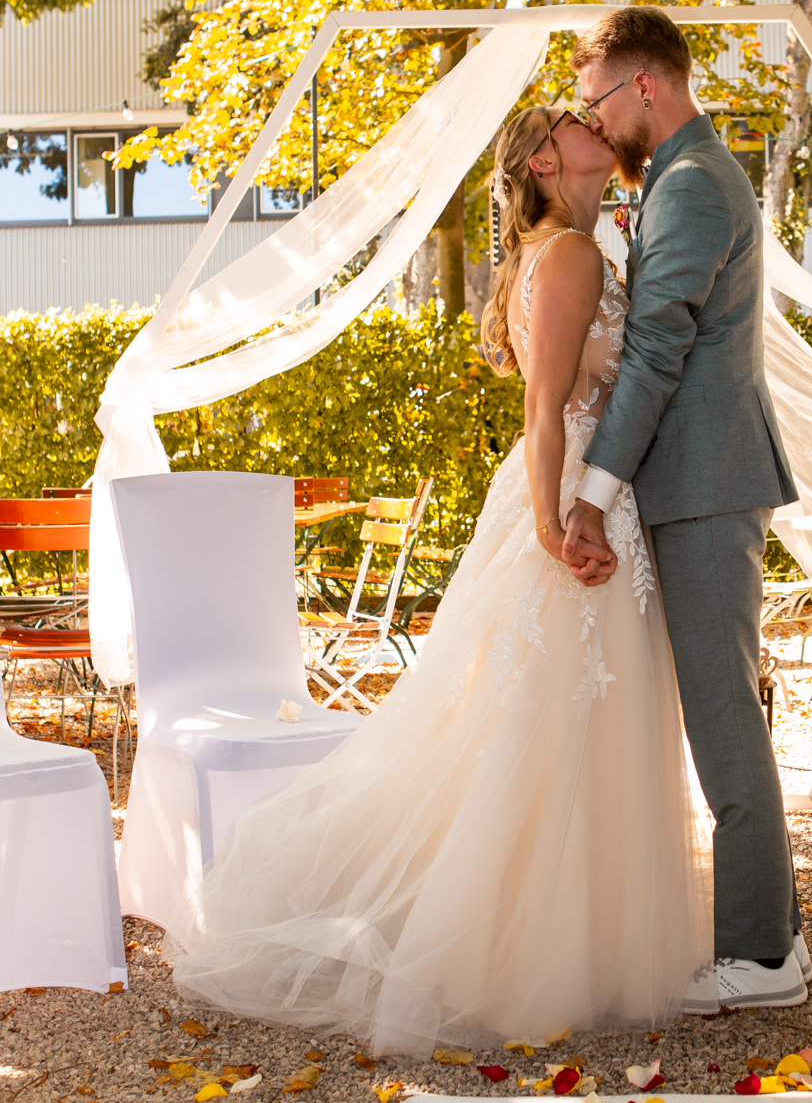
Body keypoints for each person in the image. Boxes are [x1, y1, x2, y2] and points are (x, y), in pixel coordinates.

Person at [168, 103, 711, 1052]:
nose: (598, 126)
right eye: (579, 122)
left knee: (552, 722)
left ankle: (560, 943)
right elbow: (546, 407)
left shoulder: (571, 247)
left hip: (584, 490)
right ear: (546, 159)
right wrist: (552, 524)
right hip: (574, 498)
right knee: (547, 722)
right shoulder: (571, 256)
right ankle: (512, 950)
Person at [561, 7, 809, 1011]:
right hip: (696, 483)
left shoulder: (695, 185)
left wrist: (591, 490)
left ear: (646, 87)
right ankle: (775, 933)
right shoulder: (675, 179)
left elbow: (659, 347)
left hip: (705, 487)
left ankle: (758, 955)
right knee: (720, 708)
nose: (595, 118)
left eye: (596, 100)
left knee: (721, 716)